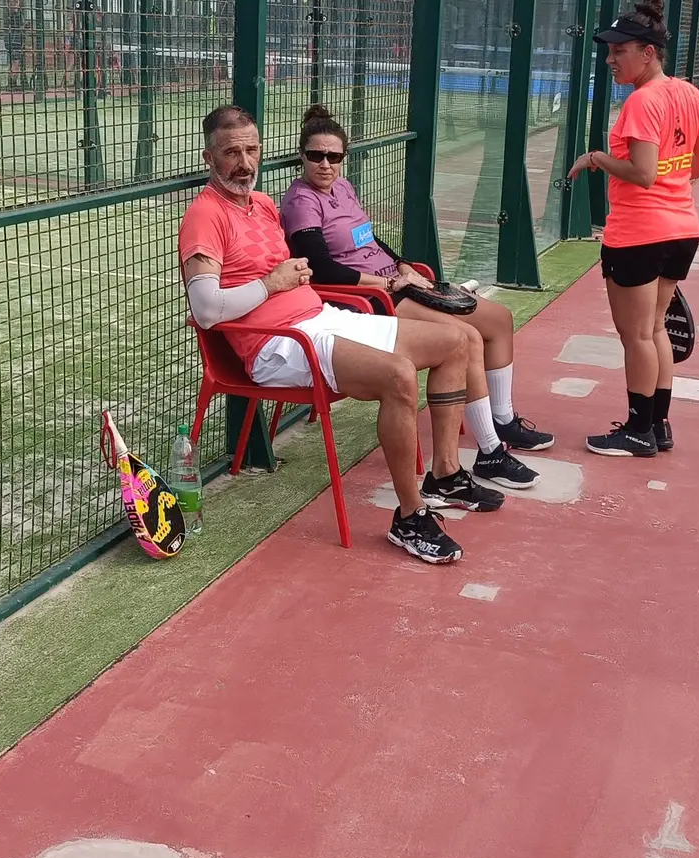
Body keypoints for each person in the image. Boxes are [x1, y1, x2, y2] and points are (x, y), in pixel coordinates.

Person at [180, 105, 501, 564]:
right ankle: (410, 517)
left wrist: (295, 277)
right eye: (231, 153)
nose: (244, 163)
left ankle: (446, 475)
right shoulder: (204, 216)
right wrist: (272, 284)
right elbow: (207, 310)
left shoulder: (263, 204)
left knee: (460, 341)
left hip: (319, 318)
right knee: (398, 375)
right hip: (277, 344)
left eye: (251, 150)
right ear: (209, 158)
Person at [281, 103, 552, 492]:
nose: (325, 164)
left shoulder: (343, 187)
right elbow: (322, 269)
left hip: (395, 282)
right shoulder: (301, 201)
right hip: (368, 297)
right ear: (302, 155)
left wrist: (403, 265)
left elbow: (369, 240)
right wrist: (387, 283)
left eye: (334, 156)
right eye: (316, 156)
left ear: (344, 157)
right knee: (467, 338)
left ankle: (503, 420)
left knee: (499, 320)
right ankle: (490, 452)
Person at [566, 0, 699, 458]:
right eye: (609, 51)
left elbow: (643, 173)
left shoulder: (641, 101)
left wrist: (596, 158)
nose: (610, 59)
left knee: (636, 336)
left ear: (648, 53)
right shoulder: (689, 93)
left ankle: (637, 430)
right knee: (654, 330)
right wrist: (674, 186)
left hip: (639, 234)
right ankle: (657, 425)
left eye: (619, 51)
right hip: (682, 228)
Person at [4, 0, 27, 91]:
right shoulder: (14, 14)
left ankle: (11, 83)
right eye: (16, 2)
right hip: (15, 41)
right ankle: (12, 83)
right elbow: (19, 26)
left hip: (12, 41)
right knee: (15, 63)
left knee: (13, 62)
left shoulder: (10, 14)